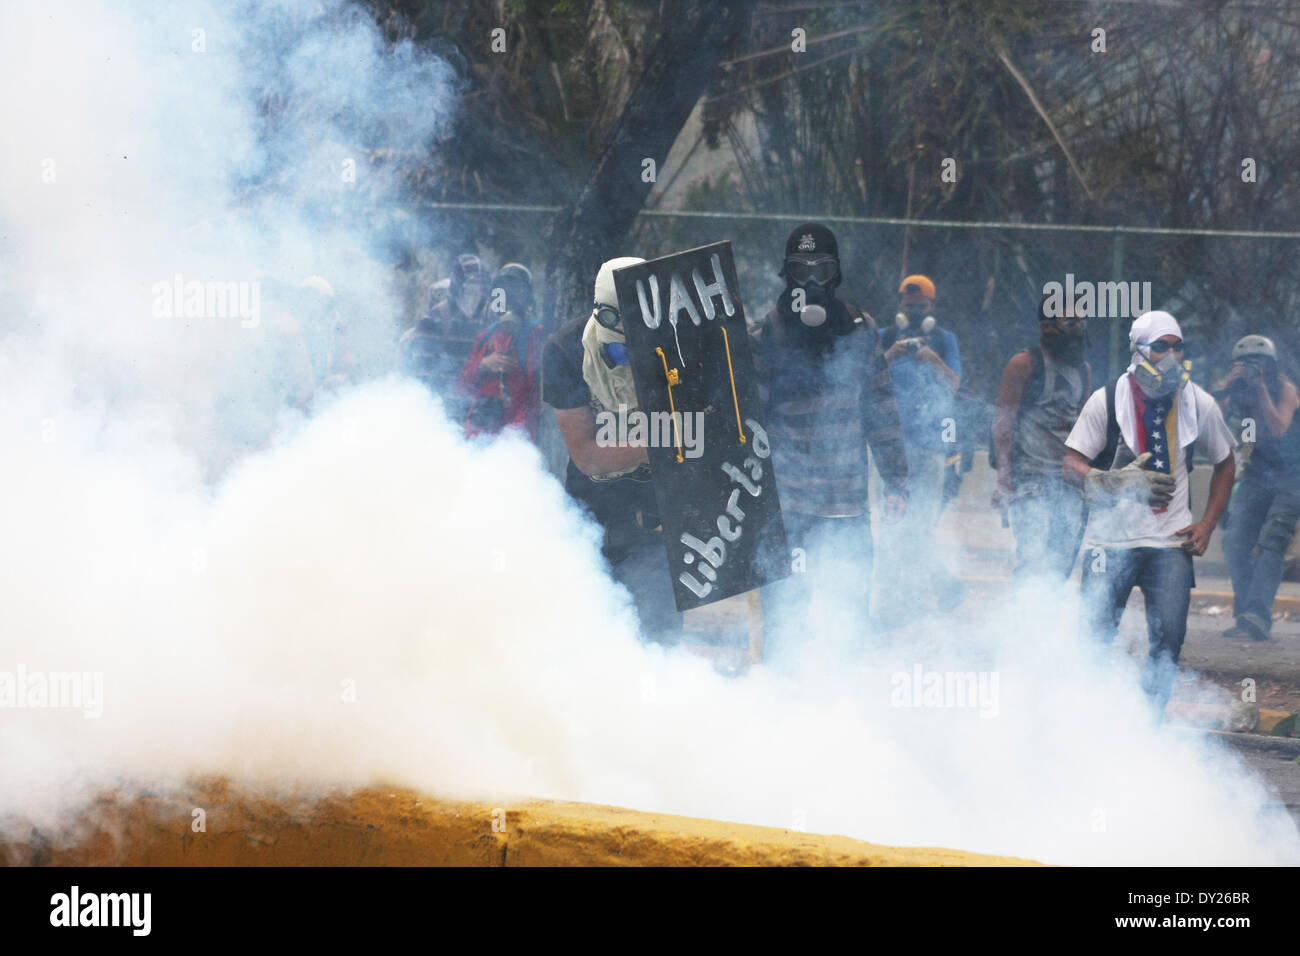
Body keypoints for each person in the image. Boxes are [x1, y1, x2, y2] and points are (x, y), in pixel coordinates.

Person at [1063, 311, 1237, 717]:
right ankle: (1086, 724)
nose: (1172, 356)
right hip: (1109, 542)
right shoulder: (1107, 398)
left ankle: (1148, 730)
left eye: (1178, 347)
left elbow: (1227, 462)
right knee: (1094, 640)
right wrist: (1110, 482)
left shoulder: (1199, 402)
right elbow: (1071, 463)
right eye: (1161, 347)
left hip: (1169, 543)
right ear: (1138, 351)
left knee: (1169, 640)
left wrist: (1208, 524)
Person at [749, 223, 908, 660]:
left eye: (822, 268)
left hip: (847, 507)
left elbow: (881, 407)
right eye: (802, 269)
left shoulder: (861, 328)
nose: (812, 281)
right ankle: (782, 710)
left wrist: (896, 480)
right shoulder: (768, 333)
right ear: (787, 274)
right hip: (788, 510)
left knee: (850, 621)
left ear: (836, 274)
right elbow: (750, 425)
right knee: (785, 621)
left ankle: (842, 712)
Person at [542, 256, 679, 643]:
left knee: (660, 636)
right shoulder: (565, 351)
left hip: (657, 516)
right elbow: (586, 455)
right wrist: (657, 446)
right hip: (595, 514)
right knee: (591, 637)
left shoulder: (677, 342)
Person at [875, 273, 965, 625]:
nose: (913, 312)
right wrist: (891, 355)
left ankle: (921, 592)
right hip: (890, 448)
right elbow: (866, 382)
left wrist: (931, 359)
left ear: (932, 307)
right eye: (908, 306)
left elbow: (955, 384)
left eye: (920, 307)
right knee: (893, 523)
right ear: (899, 306)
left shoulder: (944, 341)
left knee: (921, 524)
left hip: (929, 447)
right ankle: (915, 592)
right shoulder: (883, 338)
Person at [991, 297, 1091, 582]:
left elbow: (1085, 427)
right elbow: (1003, 422)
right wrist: (1003, 479)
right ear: (1048, 327)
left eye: (1082, 322)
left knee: (1061, 562)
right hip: (1030, 479)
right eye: (1071, 322)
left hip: (1069, 481)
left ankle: (1047, 623)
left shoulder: (1083, 370)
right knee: (1033, 560)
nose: (1079, 328)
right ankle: (1024, 622)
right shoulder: (1024, 364)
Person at [1216, 334, 1300, 641]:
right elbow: (1212, 424)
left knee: (1272, 541)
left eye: (1260, 362)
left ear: (1272, 365)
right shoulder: (1238, 390)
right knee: (1235, 541)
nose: (1254, 368)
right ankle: (1245, 615)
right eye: (1247, 363)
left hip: (1292, 475)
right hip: (1258, 473)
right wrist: (1228, 388)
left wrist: (1261, 390)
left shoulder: (1285, 388)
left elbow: (1279, 428)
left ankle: (1257, 615)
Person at [459, 263, 545, 441]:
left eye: (517, 290)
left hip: (514, 437)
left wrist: (514, 433)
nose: (511, 296)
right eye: (504, 289)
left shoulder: (535, 333)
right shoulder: (486, 337)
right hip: (480, 431)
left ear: (527, 296)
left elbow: (536, 394)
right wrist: (483, 365)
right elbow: (465, 384)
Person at [399, 253, 487, 421]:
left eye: (479, 288)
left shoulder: (485, 320)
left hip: (476, 418)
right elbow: (422, 376)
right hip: (441, 418)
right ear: (458, 287)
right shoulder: (433, 320)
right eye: (469, 288)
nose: (475, 295)